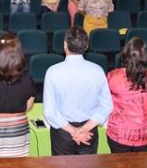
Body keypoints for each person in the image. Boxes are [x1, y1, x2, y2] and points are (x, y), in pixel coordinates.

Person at [43, 27, 113, 155]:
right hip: (89, 131)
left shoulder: (53, 72)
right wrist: (84, 129)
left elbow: (49, 111)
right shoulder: (97, 70)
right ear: (86, 46)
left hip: (62, 133)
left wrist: (73, 131)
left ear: (65, 44)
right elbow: (107, 106)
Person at [106, 37, 147, 153]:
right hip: (145, 133)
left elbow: (106, 102)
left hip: (119, 132)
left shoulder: (113, 76)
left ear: (125, 54)